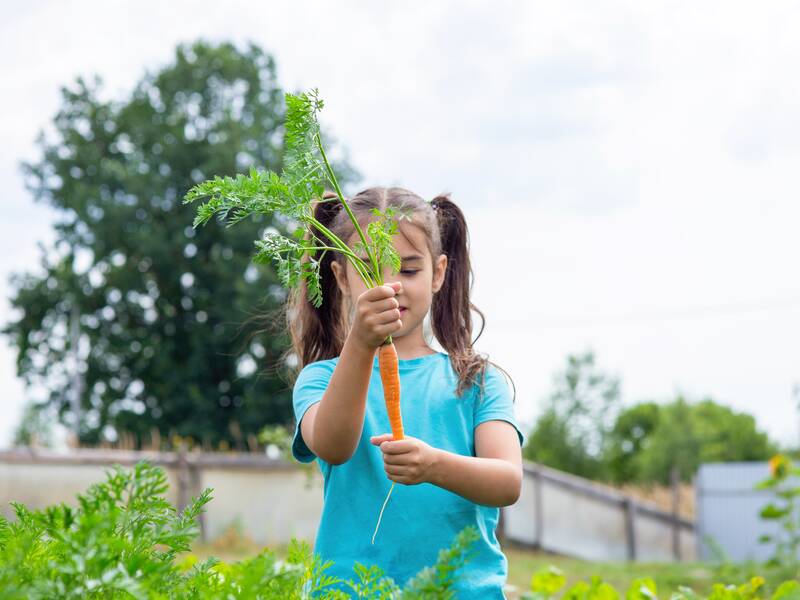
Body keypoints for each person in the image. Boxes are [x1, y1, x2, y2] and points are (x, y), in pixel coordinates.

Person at [287, 186, 524, 598]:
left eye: (408, 270)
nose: (389, 286)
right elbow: (333, 445)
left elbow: (507, 482)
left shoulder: (476, 379)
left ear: (439, 274)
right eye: (369, 269)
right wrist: (360, 344)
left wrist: (434, 466)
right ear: (340, 276)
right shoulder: (320, 379)